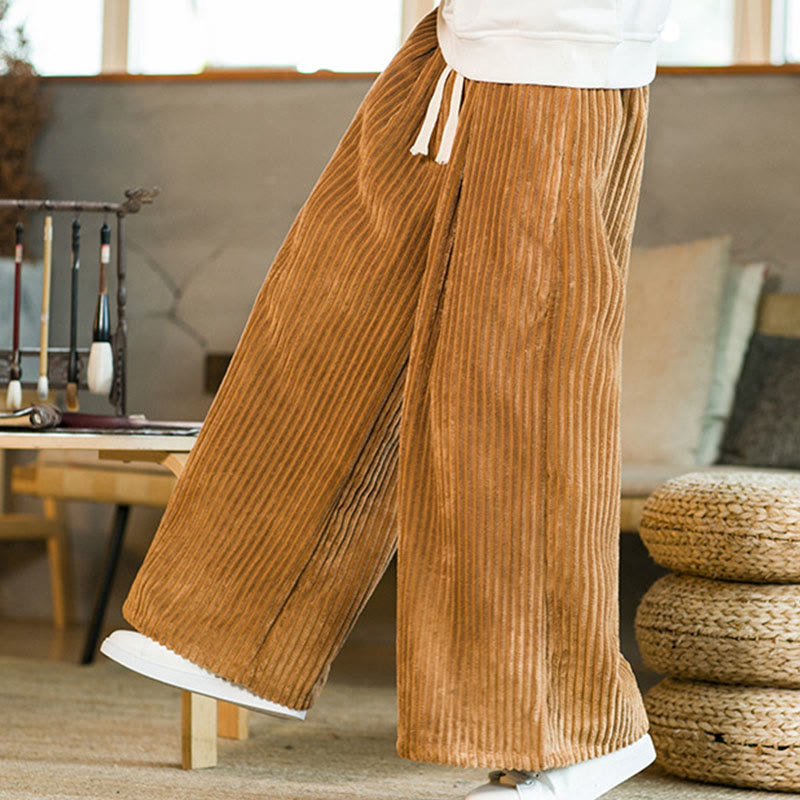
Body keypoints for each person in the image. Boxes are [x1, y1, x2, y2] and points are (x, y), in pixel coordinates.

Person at [101, 1, 672, 796]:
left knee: (515, 408)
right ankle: (235, 628)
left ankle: (577, 731)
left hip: (557, 70)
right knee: (331, 314)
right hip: (456, 49)